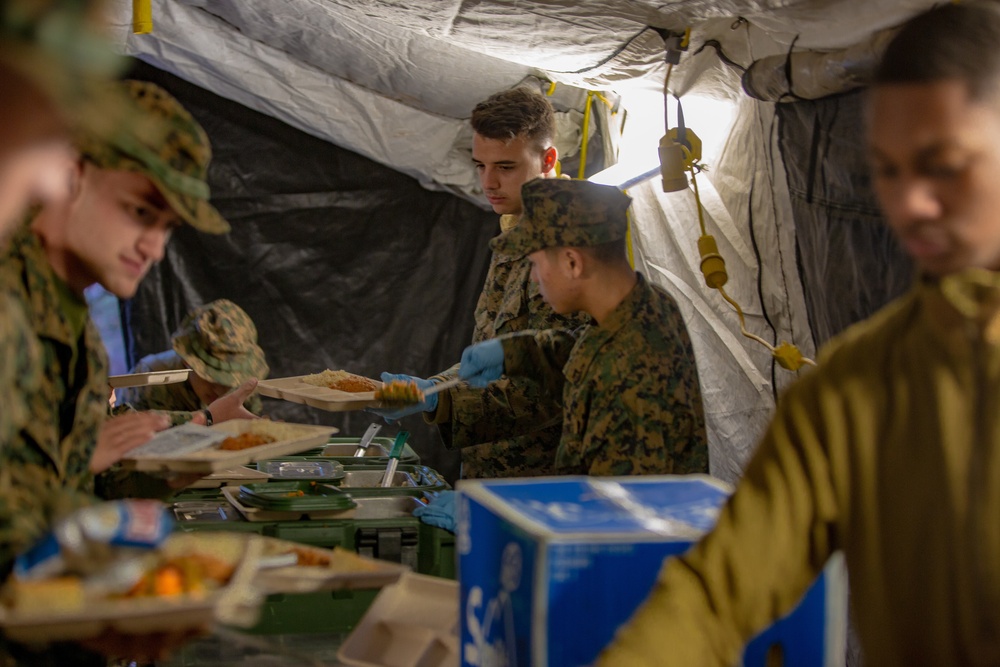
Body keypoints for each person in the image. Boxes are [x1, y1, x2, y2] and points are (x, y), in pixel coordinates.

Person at [596, 4, 1000, 665]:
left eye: (945, 163)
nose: (911, 204)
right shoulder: (855, 388)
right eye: (889, 170)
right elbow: (718, 591)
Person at [0, 78, 259, 565]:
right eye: (140, 211)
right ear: (70, 174)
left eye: (168, 228)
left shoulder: (73, 324)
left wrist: (166, 472)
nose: (155, 248)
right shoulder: (10, 304)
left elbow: (90, 478)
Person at [374, 87, 590, 478]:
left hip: (539, 486)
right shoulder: (514, 232)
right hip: (493, 471)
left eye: (505, 167)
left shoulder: (567, 247)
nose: (488, 182)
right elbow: (494, 356)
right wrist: (432, 386)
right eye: (480, 165)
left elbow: (549, 389)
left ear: (548, 159)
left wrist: (439, 401)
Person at [459, 179, 708, 475]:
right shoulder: (648, 303)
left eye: (536, 264)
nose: (536, 278)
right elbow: (583, 349)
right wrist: (512, 352)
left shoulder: (630, 378)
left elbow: (616, 512)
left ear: (572, 263)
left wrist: (494, 510)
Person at [118, 298, 269, 417]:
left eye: (228, 379)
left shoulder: (242, 380)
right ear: (187, 361)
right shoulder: (148, 380)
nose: (220, 389)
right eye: (211, 378)